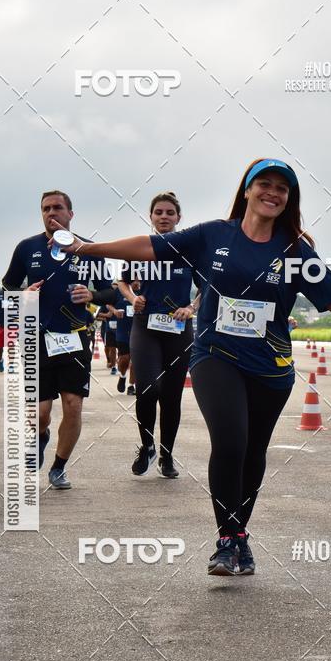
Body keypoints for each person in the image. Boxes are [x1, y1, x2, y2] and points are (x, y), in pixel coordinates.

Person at [57, 159, 331, 573]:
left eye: (283, 188)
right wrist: (86, 247)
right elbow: (148, 247)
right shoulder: (213, 235)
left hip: (271, 365)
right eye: (264, 184)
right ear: (246, 190)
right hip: (215, 355)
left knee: (252, 452)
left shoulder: (296, 249)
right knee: (230, 441)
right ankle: (226, 539)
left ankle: (238, 534)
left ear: (289, 199)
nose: (273, 193)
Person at [2, 190, 113, 489]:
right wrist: (22, 295)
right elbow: (8, 284)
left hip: (76, 338)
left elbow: (110, 291)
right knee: (40, 413)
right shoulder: (27, 248)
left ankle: (59, 467)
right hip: (38, 338)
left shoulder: (90, 249)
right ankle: (40, 436)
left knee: (73, 406)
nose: (52, 213)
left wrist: (92, 295)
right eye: (46, 208)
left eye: (58, 208)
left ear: (70, 214)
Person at [117, 192, 198, 479]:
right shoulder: (140, 248)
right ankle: (147, 446)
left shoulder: (189, 251)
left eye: (170, 213)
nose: (164, 216)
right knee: (148, 388)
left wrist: (190, 307)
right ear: (150, 217)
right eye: (158, 212)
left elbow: (207, 287)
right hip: (145, 325)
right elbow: (122, 281)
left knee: (172, 397)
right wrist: (131, 297)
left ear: (178, 218)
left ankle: (167, 455)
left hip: (178, 329)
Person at [106, 291, 136, 395]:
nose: (136, 283)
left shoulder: (143, 290)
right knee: (125, 359)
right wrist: (114, 311)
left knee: (136, 361)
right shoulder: (119, 292)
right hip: (122, 331)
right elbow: (108, 304)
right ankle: (122, 376)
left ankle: (131, 386)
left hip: (138, 331)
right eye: (134, 280)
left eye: (138, 280)